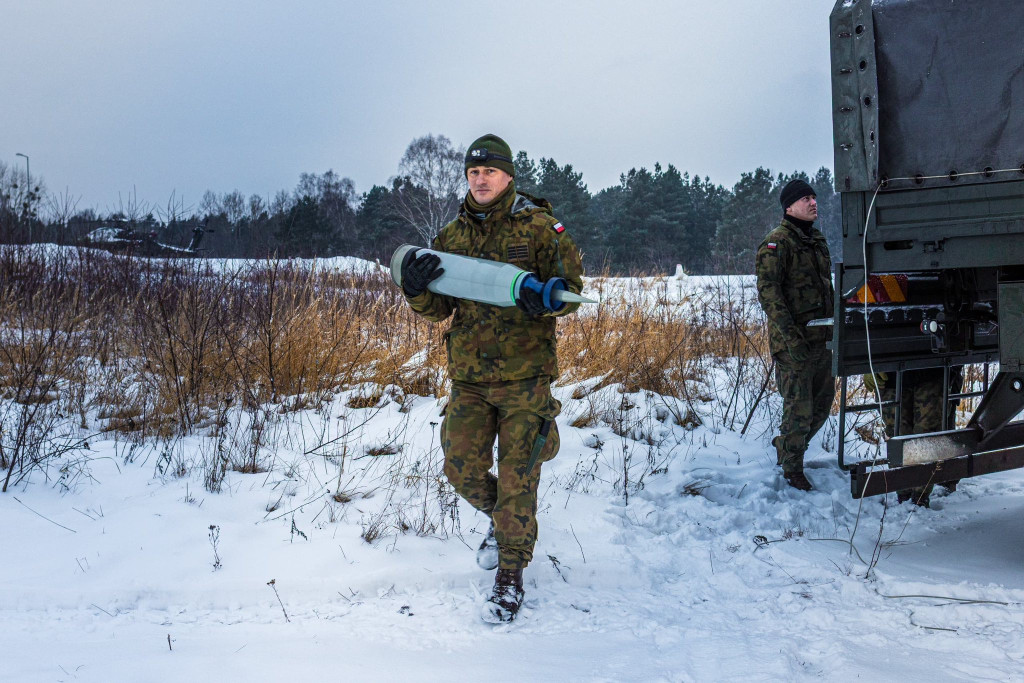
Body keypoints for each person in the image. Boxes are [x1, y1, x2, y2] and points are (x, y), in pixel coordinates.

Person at [400, 133, 584, 623]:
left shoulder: (543, 227)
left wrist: (548, 295)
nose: (480, 180)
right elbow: (439, 307)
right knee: (459, 468)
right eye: (473, 173)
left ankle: (509, 575)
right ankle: (503, 520)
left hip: (526, 378)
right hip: (470, 379)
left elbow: (572, 290)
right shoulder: (450, 238)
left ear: (508, 177)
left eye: (490, 172)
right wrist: (417, 291)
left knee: (518, 476)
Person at [755, 179, 835, 491]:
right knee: (799, 411)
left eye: (814, 197)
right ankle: (792, 469)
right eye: (806, 198)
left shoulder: (815, 240)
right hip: (794, 345)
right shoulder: (777, 242)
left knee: (821, 407)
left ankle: (786, 445)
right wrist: (791, 339)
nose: (814, 203)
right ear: (789, 206)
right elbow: (769, 295)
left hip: (822, 340)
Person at [863, 367, 963, 507]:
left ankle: (919, 499)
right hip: (892, 374)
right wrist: (869, 365)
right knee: (899, 436)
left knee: (926, 436)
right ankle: (906, 496)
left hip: (932, 372)